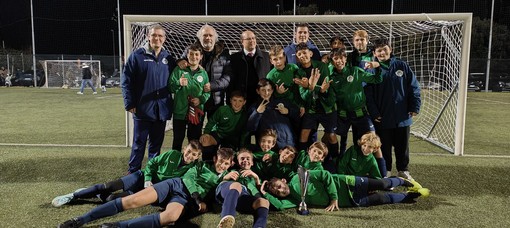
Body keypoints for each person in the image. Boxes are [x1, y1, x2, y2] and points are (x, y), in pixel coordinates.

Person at [57, 148, 235, 228]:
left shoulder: (226, 180)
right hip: (175, 185)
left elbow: (221, 197)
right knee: (131, 201)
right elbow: (188, 178)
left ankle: (117, 226)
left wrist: (205, 204)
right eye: (220, 161)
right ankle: (80, 220)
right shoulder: (200, 165)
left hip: (182, 199)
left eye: (226, 163)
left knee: (170, 217)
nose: (222, 165)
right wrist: (197, 196)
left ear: (230, 164)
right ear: (215, 159)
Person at [51, 140, 203, 207]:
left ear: (198, 157)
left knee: (111, 199)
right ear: (184, 149)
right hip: (141, 178)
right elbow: (151, 163)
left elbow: (190, 183)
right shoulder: (172, 154)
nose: (189, 156)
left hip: (147, 191)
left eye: (194, 155)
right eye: (188, 151)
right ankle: (73, 196)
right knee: (109, 185)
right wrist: (148, 179)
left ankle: (91, 193)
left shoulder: (192, 170)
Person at [121, 24, 176, 173]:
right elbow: (126, 81)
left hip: (161, 110)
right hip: (142, 109)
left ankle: (150, 175)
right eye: (154, 35)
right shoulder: (137, 56)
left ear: (164, 39)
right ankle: (133, 173)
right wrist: (129, 102)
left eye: (160, 36)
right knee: (139, 144)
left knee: (156, 146)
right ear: (148, 37)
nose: (156, 38)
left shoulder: (169, 58)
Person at [364, 38, 421, 180]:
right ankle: (387, 170)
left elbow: (413, 87)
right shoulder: (372, 69)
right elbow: (368, 94)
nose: (382, 52)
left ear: (390, 50)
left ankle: (403, 169)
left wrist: (415, 106)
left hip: (403, 115)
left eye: (384, 49)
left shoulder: (402, 65)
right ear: (374, 53)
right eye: (379, 50)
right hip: (383, 115)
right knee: (385, 146)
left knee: (403, 146)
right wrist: (374, 112)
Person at [261, 170, 429, 211]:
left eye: (278, 186)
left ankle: (403, 180)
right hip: (349, 202)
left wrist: (334, 198)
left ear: (283, 181)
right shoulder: (293, 200)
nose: (280, 190)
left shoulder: (300, 175)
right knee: (383, 199)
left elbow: (326, 175)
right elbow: (280, 206)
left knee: (383, 184)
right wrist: (264, 192)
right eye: (277, 191)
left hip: (349, 183)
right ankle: (407, 196)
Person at [327, 48, 382, 158]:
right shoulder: (331, 78)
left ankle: (382, 171)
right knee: (330, 136)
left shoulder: (356, 71)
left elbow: (376, 80)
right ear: (332, 61)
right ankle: (334, 160)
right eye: (335, 58)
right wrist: (324, 90)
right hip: (343, 116)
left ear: (345, 59)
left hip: (360, 114)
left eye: (341, 58)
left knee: (372, 138)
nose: (339, 61)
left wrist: (378, 66)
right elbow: (331, 100)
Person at [180, 24, 232, 119]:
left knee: (214, 131)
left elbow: (228, 77)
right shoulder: (190, 51)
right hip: (195, 99)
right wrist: (179, 61)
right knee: (194, 131)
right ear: (199, 37)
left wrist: (212, 85)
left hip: (215, 100)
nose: (208, 38)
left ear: (215, 38)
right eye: (205, 35)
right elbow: (180, 63)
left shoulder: (224, 54)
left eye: (210, 35)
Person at [293, 43, 337, 154]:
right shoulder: (298, 72)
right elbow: (304, 96)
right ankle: (302, 158)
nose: (302, 55)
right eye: (299, 54)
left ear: (310, 53)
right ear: (297, 57)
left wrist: (310, 86)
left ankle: (334, 160)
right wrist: (312, 88)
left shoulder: (321, 66)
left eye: (304, 52)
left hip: (326, 106)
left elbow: (325, 87)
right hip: (311, 109)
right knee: (304, 134)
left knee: (331, 136)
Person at [169, 43, 210, 151]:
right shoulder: (179, 70)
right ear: (187, 55)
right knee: (178, 139)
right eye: (191, 54)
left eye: (196, 54)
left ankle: (193, 165)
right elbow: (170, 87)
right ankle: (175, 163)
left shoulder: (203, 73)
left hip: (196, 113)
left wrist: (200, 100)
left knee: (194, 141)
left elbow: (207, 92)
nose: (194, 57)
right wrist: (178, 83)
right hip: (180, 112)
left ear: (201, 57)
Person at [215, 149, 269, 228]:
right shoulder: (232, 171)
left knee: (264, 202)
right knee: (237, 185)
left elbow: (261, 192)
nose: (245, 160)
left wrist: (256, 178)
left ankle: (259, 226)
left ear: (252, 162)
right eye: (242, 158)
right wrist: (225, 177)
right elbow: (215, 179)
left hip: (242, 196)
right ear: (238, 162)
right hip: (226, 190)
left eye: (248, 158)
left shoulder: (255, 177)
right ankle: (226, 219)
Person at [246, 78, 300, 151]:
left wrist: (288, 111)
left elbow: (298, 117)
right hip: (268, 147)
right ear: (258, 91)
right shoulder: (254, 107)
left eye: (269, 90)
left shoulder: (282, 102)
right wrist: (257, 113)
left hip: (287, 144)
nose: (266, 93)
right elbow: (250, 128)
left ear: (272, 90)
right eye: (263, 90)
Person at [200, 90, 248, 160]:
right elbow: (212, 121)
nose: (237, 103)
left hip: (231, 139)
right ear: (230, 100)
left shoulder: (244, 116)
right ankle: (207, 163)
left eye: (240, 101)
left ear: (244, 102)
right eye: (235, 100)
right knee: (205, 140)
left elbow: (244, 133)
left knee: (227, 156)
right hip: (219, 134)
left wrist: (241, 147)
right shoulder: (223, 109)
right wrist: (206, 133)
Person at [229, 30, 271, 107]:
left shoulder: (266, 57)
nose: (252, 41)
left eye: (253, 38)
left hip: (261, 99)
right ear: (242, 41)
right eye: (248, 39)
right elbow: (231, 81)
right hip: (242, 101)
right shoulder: (234, 59)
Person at [265, 45, 303, 112]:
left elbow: (301, 89)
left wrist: (302, 105)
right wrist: (278, 93)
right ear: (271, 61)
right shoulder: (270, 76)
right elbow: (271, 97)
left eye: (280, 58)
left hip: (297, 105)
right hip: (282, 107)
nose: (278, 61)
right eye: (275, 59)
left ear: (285, 58)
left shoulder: (293, 68)